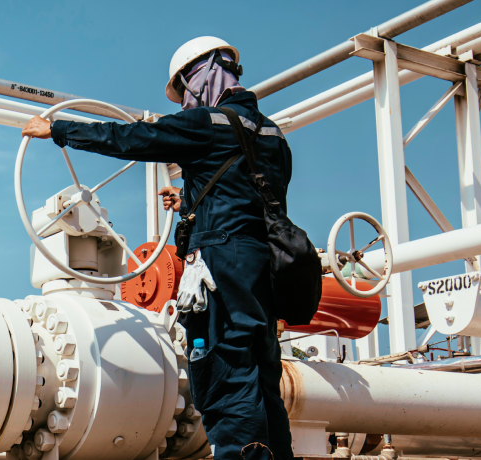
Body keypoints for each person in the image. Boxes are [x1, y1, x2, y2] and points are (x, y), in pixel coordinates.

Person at [22, 36, 294, 460]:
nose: (185, 100)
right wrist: (188, 203)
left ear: (200, 74)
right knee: (263, 380)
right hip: (265, 269)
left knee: (227, 376)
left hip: (222, 267)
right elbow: (250, 198)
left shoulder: (206, 123)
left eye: (185, 88)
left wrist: (58, 130)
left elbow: (132, 138)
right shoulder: (274, 135)